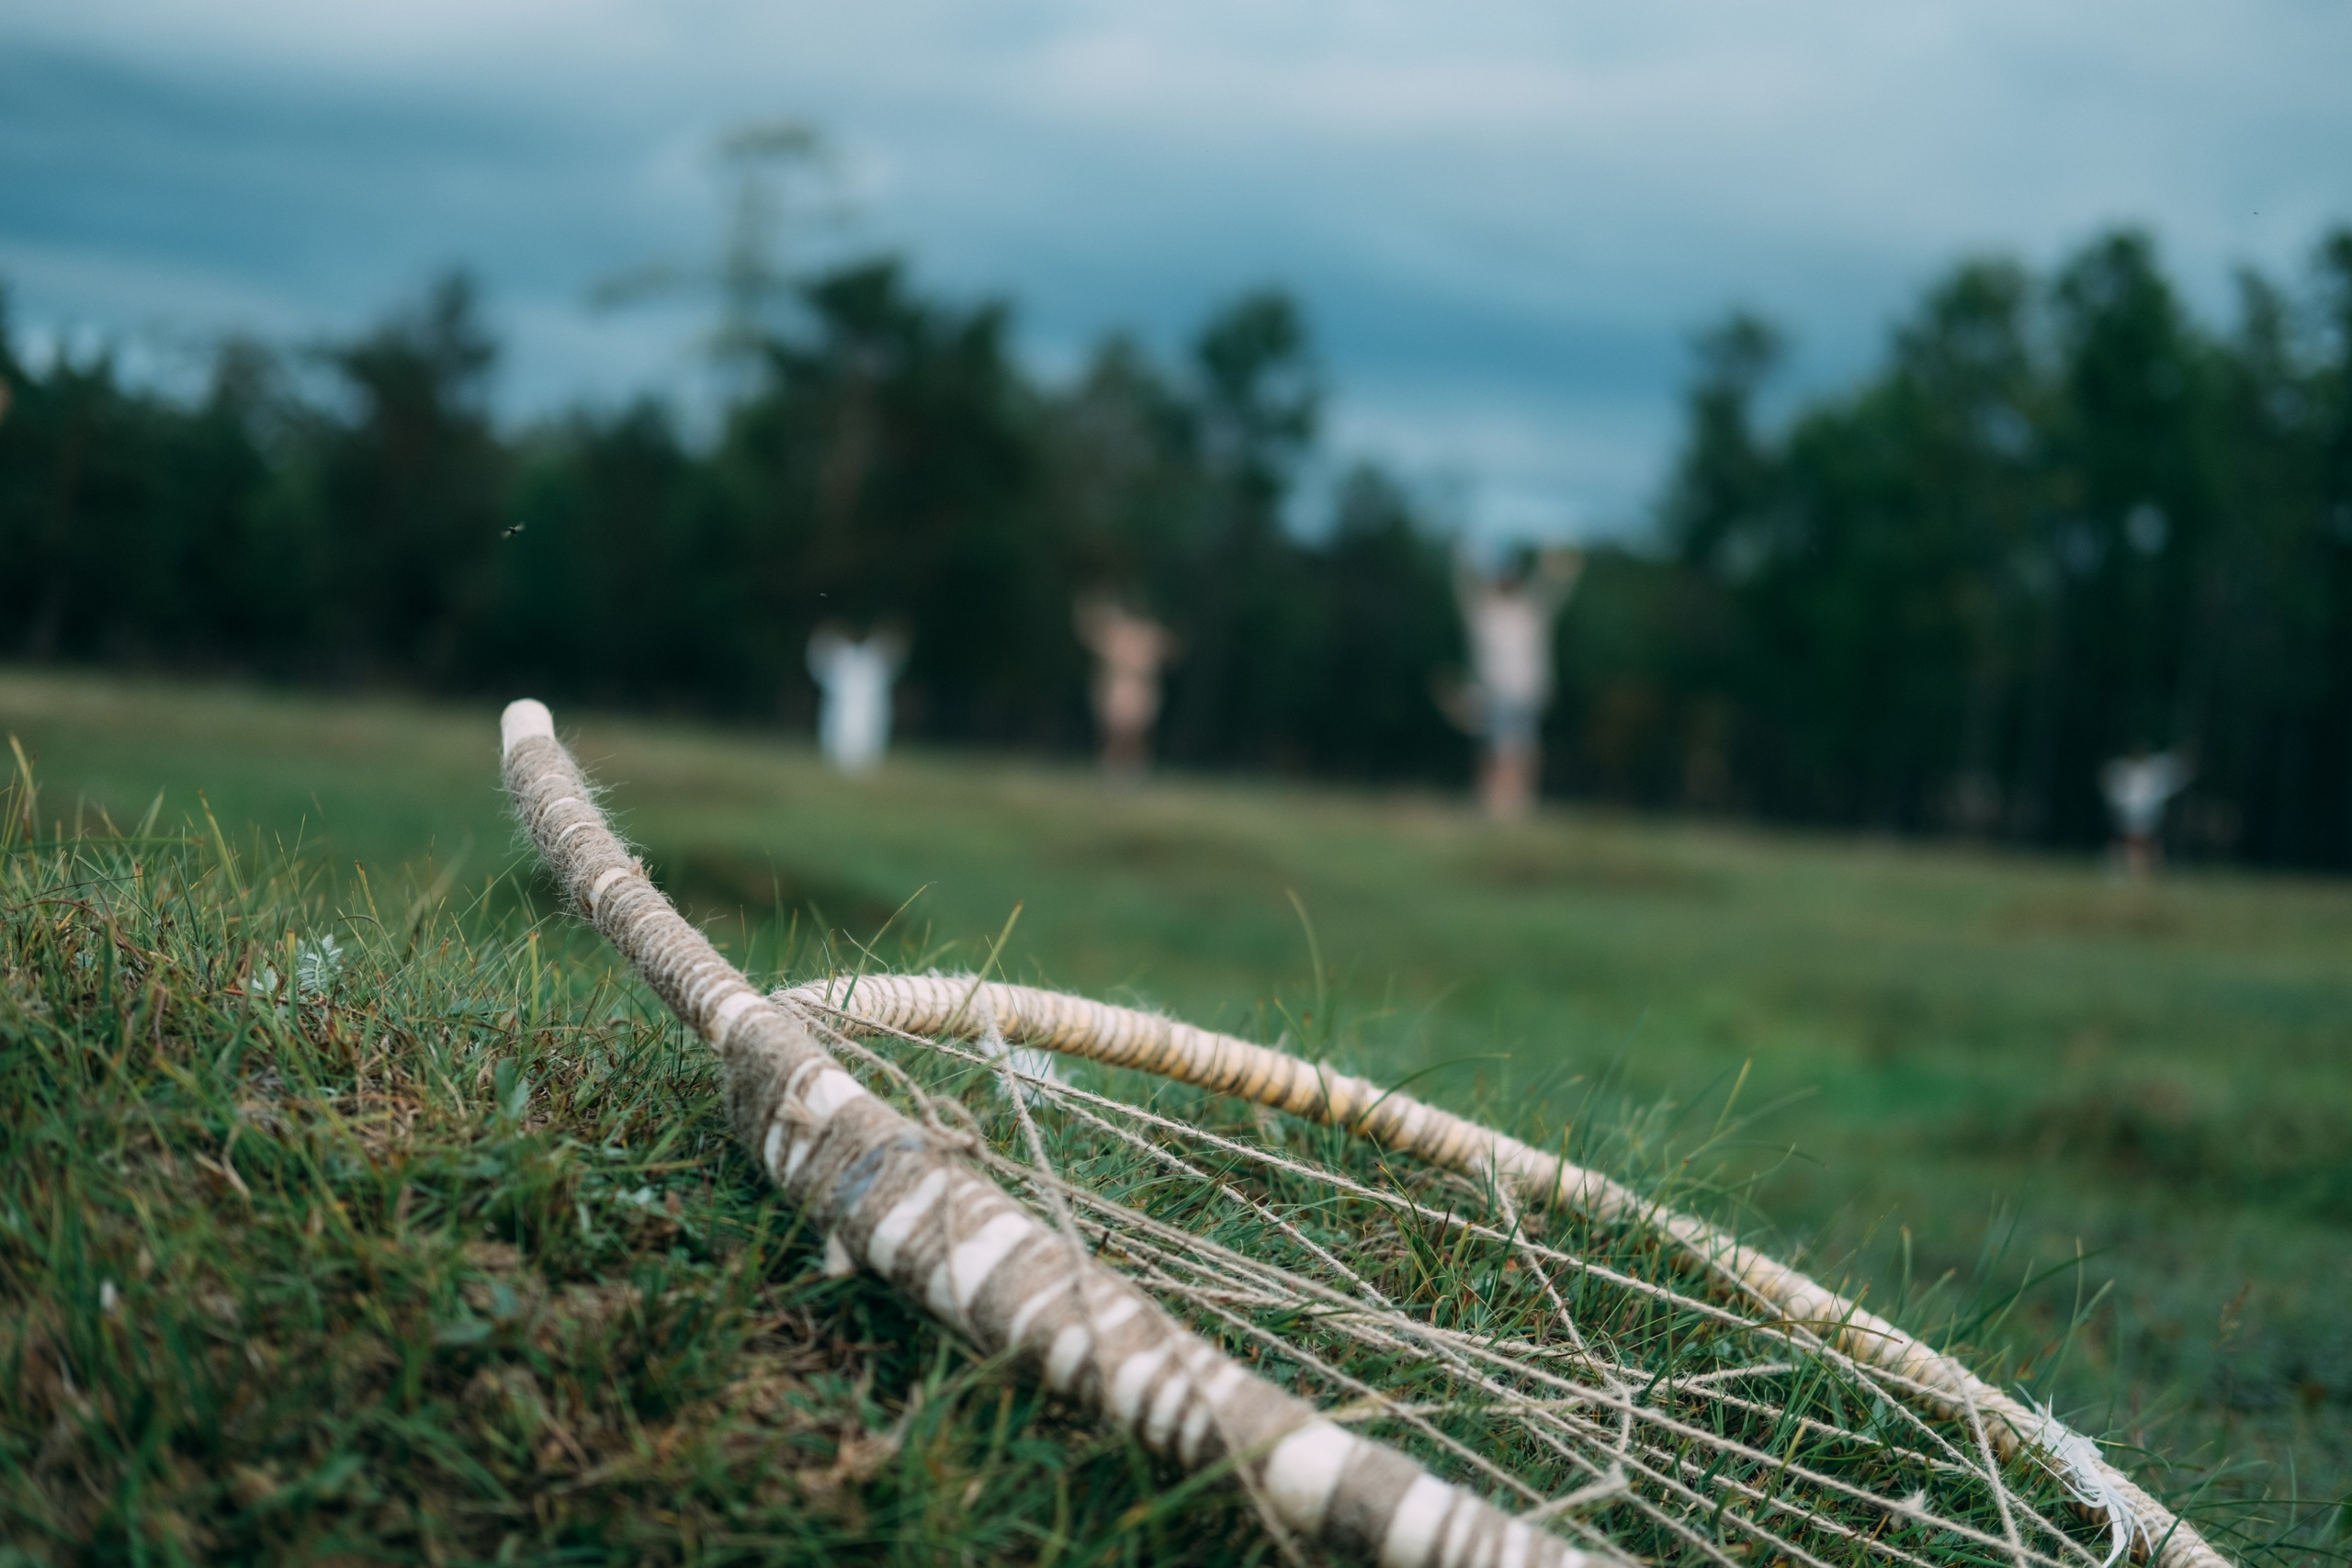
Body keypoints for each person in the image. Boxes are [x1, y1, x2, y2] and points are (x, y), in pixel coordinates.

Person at [1449, 547, 1584, 820]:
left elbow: (1552, 589)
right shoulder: (1484, 610)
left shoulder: (1529, 609)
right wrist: (1461, 558)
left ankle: (1520, 803)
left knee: (1523, 748)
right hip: (1495, 691)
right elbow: (1464, 586)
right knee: (1496, 748)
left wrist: (1559, 569)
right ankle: (1492, 803)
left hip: (1527, 691)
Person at [1076, 594, 1180, 783]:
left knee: (1137, 735)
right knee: (1115, 733)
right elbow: (1092, 638)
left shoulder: (1147, 633)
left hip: (1140, 689)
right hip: (1118, 688)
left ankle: (1134, 773)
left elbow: (1171, 651)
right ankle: (1112, 772)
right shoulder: (1117, 631)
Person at [807, 625, 906, 773]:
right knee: (843, 736)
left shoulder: (872, 661)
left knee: (866, 737)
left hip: (866, 711)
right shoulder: (843, 660)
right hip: (845, 711)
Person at [2099, 746, 2190, 880]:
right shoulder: (2129, 770)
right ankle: (2141, 870)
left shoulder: (2149, 771)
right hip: (2136, 812)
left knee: (2139, 842)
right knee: (2138, 842)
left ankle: (2141, 870)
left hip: (2143, 813)